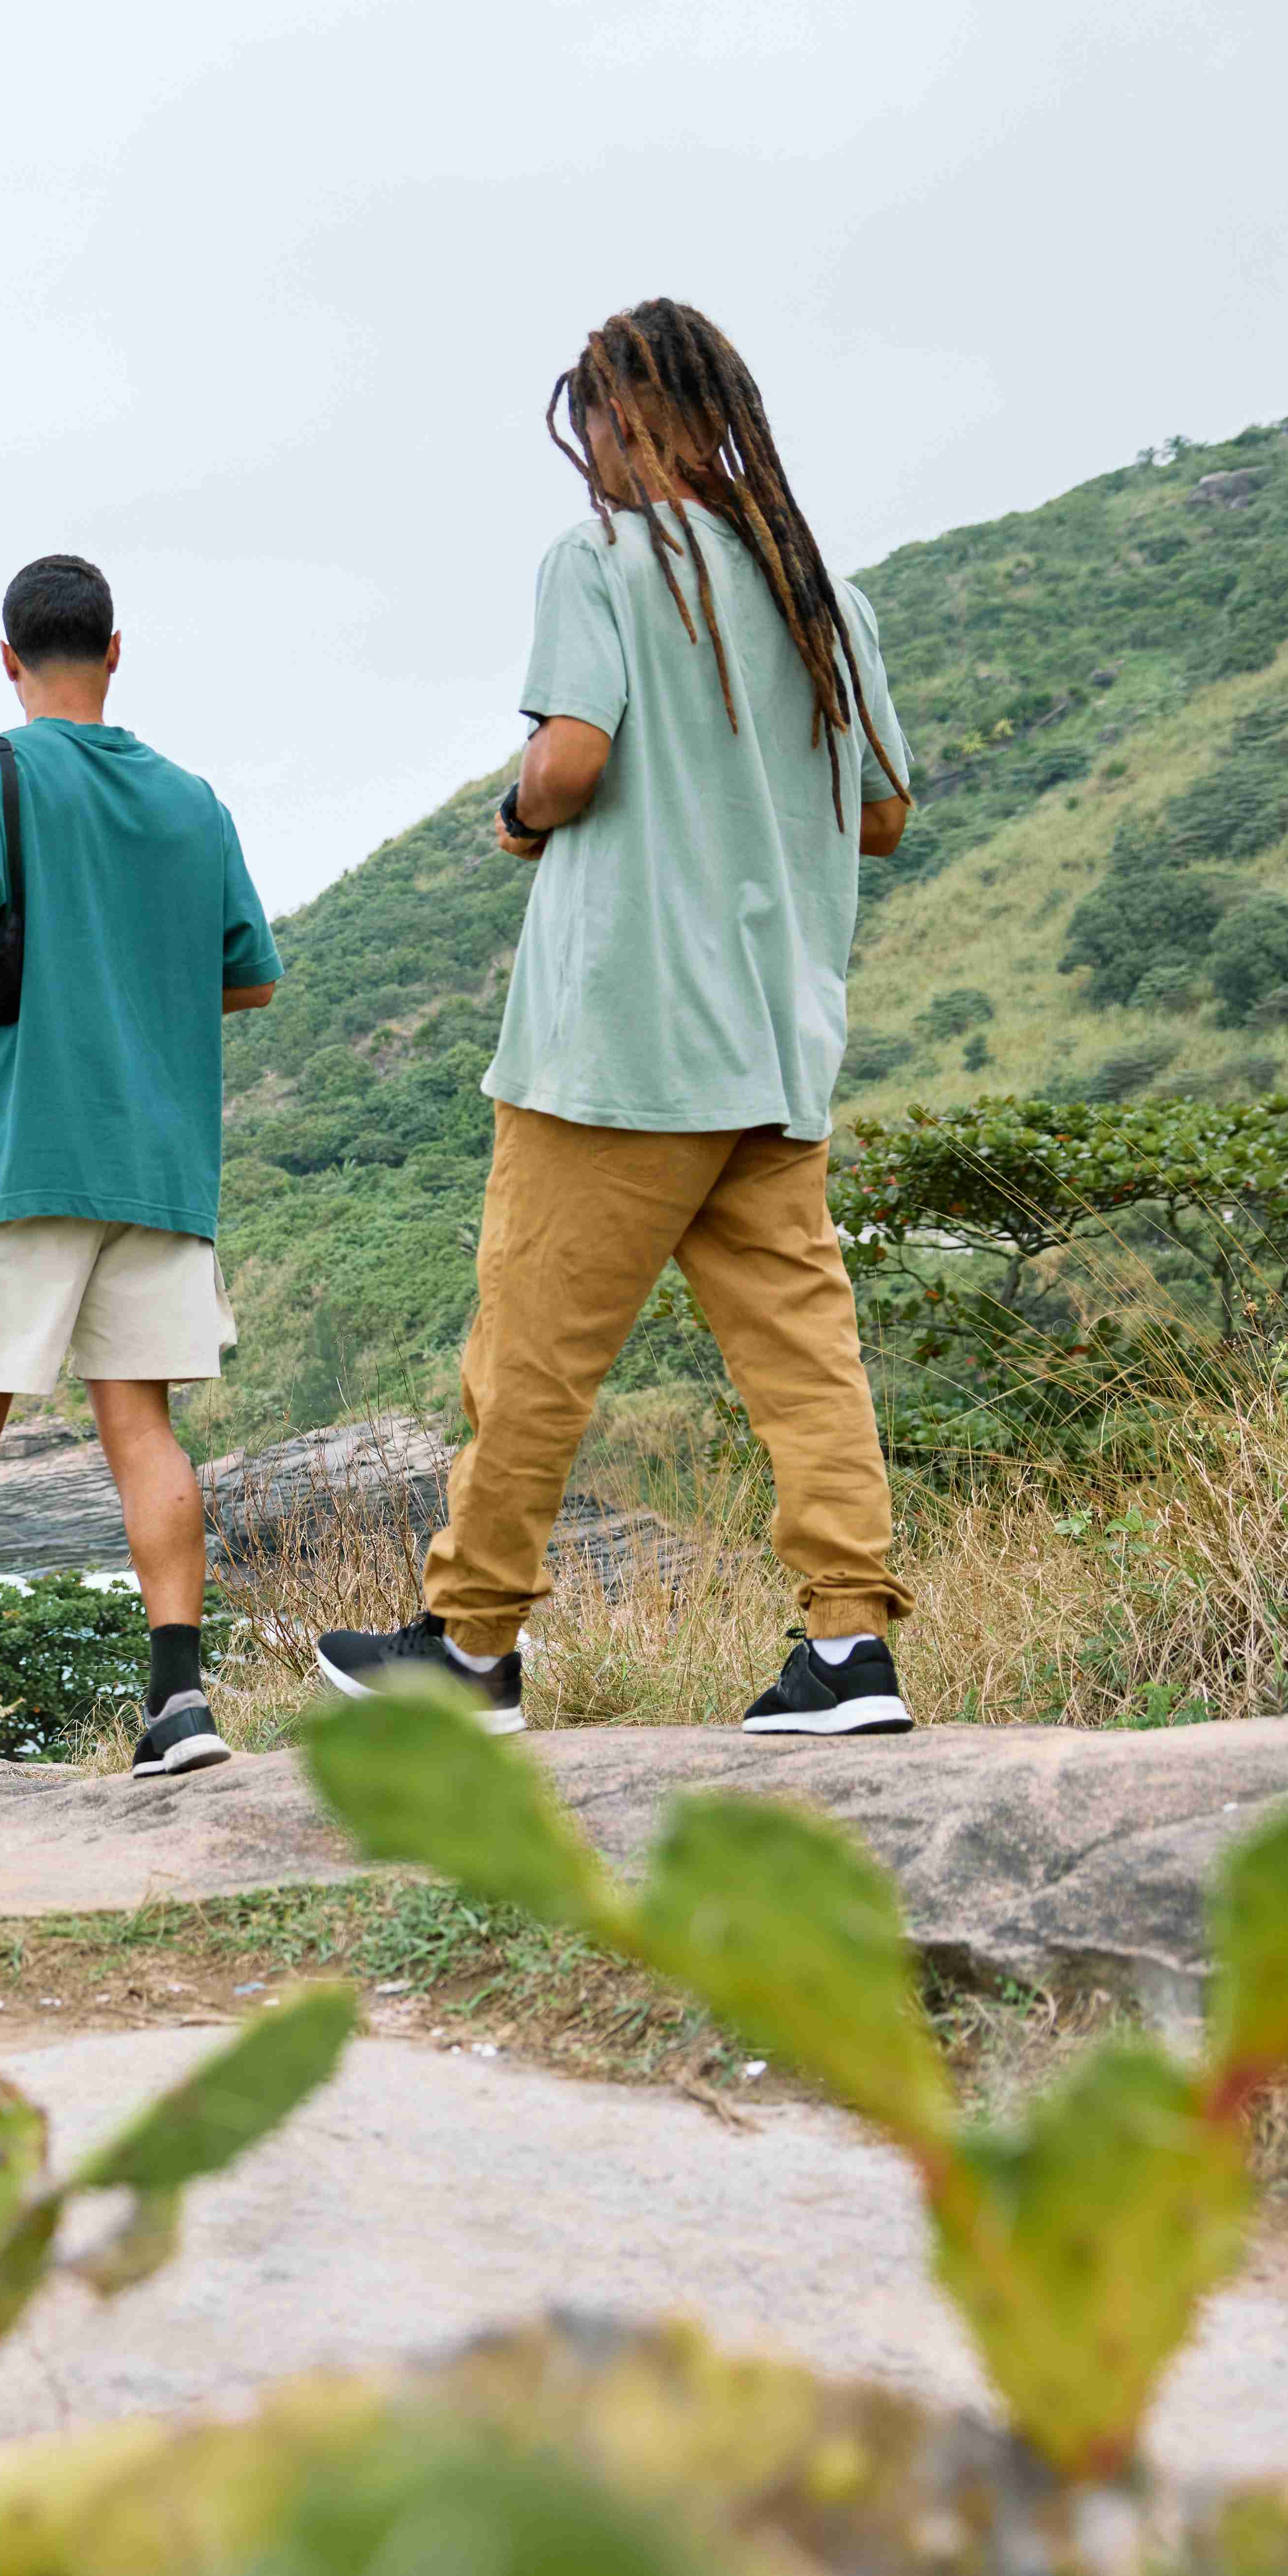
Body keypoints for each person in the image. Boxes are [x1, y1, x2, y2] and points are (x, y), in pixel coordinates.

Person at [315, 298, 918, 1740]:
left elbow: (572, 759)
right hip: (775, 1046)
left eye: (597, 433)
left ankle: (469, 1650)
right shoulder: (823, 594)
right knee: (804, 1359)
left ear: (614, 428)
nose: (595, 463)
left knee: (530, 1357)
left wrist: (521, 813)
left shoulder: (597, 563)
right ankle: (849, 1652)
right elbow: (885, 813)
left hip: (625, 1042)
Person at [0, 553, 283, 1794]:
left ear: (6, 656)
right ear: (115, 649)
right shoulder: (192, 800)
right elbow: (246, 974)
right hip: (157, 1160)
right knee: (142, 1424)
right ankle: (179, 1698)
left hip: (13, 1157)